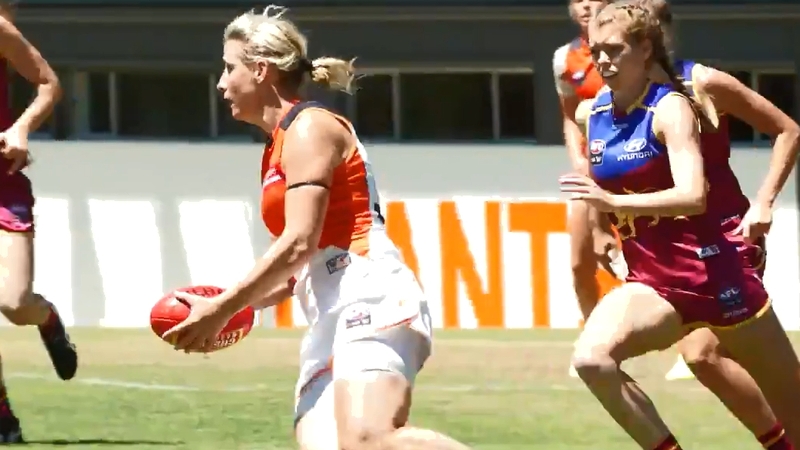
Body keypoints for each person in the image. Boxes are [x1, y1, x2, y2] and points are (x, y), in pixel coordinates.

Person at [162, 6, 472, 450]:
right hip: (328, 308)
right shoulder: (277, 149)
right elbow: (296, 267)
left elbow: (299, 243)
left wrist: (224, 307)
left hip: (368, 292)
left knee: (368, 439)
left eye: (229, 68)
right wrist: (223, 310)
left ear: (261, 69)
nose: (221, 82)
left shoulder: (309, 128)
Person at [561, 2, 800, 449]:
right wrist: (599, 222)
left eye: (615, 47)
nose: (603, 59)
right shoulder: (593, 112)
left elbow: (786, 131)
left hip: (723, 259)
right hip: (657, 275)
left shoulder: (693, 87)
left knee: (711, 358)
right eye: (597, 49)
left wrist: (764, 203)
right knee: (599, 359)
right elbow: (598, 173)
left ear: (648, 40)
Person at [0, 0, 76, 443]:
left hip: (3, 181)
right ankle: (3, 414)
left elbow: (48, 84)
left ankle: (45, 318)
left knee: (14, 302)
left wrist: (21, 129)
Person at [554, 0, 624, 377]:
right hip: (589, 178)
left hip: (633, 172)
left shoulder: (626, 48)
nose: (585, 5)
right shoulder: (564, 59)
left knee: (659, 262)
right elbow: (568, 117)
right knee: (581, 261)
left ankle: (693, 343)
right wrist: (578, 161)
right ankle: (592, 340)